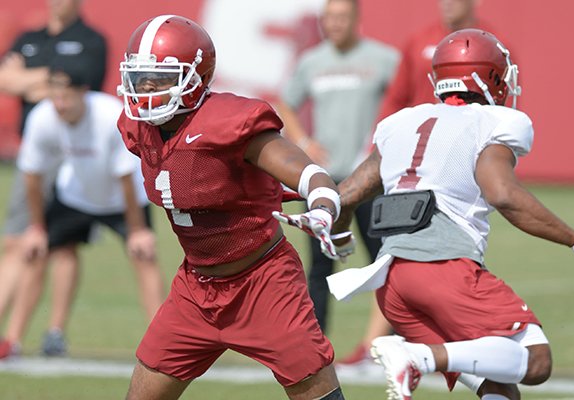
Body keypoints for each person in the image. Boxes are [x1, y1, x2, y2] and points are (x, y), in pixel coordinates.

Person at [327, 29, 574, 400]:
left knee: (500, 386)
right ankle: (418, 357)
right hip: (444, 268)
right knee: (534, 360)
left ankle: (419, 355)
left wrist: (340, 233)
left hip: (393, 284)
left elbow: (347, 195)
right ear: (489, 77)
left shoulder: (401, 123)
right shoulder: (492, 121)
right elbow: (503, 195)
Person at [116, 15, 346, 400]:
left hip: (263, 282)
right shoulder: (137, 129)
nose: (146, 90)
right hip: (195, 287)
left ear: (195, 78)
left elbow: (309, 173)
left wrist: (322, 207)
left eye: (159, 79)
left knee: (315, 390)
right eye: (140, 79)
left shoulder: (231, 122)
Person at [0, 62, 164, 359]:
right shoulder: (42, 117)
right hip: (75, 194)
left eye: (66, 97)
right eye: (55, 96)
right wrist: (37, 227)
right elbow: (32, 176)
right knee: (37, 253)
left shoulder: (109, 115)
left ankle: (161, 344)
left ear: (83, 93)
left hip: (122, 199)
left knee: (144, 256)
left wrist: (138, 231)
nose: (60, 104)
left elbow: (125, 177)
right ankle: (14, 340)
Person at [276, 0, 399, 362]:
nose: (335, 24)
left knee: (385, 262)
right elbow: (286, 102)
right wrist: (303, 142)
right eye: (329, 18)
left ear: (357, 20)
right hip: (324, 183)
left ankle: (389, 347)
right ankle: (315, 350)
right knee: (319, 266)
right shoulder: (312, 62)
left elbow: (406, 98)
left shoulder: (384, 59)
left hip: (371, 180)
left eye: (342, 17)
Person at [0, 0, 107, 355]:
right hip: (34, 151)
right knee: (18, 240)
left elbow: (82, 86)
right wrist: (51, 79)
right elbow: (5, 79)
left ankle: (54, 331)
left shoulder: (92, 40)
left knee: (63, 245)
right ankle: (8, 335)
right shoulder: (30, 38)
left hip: (75, 153)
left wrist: (29, 81)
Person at [378, 0, 498, 120]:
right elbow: (395, 100)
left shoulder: (494, 47)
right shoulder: (418, 42)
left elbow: (504, 103)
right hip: (425, 132)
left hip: (474, 132)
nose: (447, 2)